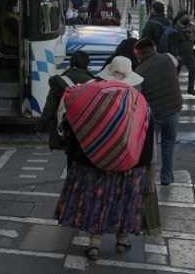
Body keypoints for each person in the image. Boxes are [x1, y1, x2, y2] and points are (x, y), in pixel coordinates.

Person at [54, 56, 153, 259]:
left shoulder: (93, 100)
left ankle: (94, 243)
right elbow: (147, 135)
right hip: (131, 165)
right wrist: (147, 164)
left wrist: (75, 156)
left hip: (94, 162)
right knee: (124, 200)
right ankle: (122, 240)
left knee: (98, 200)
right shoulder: (140, 103)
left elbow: (74, 127)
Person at [135, 38, 183, 185]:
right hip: (173, 109)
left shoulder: (139, 71)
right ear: (154, 47)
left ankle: (149, 180)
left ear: (139, 54)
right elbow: (177, 66)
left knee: (151, 148)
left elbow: (138, 95)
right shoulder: (168, 58)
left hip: (153, 113)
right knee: (168, 144)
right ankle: (167, 177)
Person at [40, 51, 94, 146]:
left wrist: (40, 126)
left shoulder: (59, 81)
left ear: (71, 63)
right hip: (86, 128)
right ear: (87, 64)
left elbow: (50, 106)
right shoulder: (93, 82)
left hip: (66, 127)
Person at [168, 14, 195, 95]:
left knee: (193, 70)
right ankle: (171, 89)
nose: (186, 18)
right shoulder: (176, 29)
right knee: (175, 73)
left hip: (190, 53)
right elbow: (174, 43)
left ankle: (190, 89)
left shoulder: (191, 27)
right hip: (180, 54)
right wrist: (175, 55)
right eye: (184, 16)